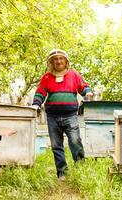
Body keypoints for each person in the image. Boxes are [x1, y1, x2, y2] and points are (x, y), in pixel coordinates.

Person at [32, 49, 93, 179]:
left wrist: (88, 93)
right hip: (52, 117)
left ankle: (81, 170)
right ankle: (62, 173)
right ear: (51, 62)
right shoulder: (47, 77)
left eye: (61, 59)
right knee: (56, 146)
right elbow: (40, 93)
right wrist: (36, 104)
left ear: (66, 61)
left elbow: (84, 87)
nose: (58, 61)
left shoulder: (74, 74)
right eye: (55, 59)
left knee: (75, 142)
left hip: (70, 115)